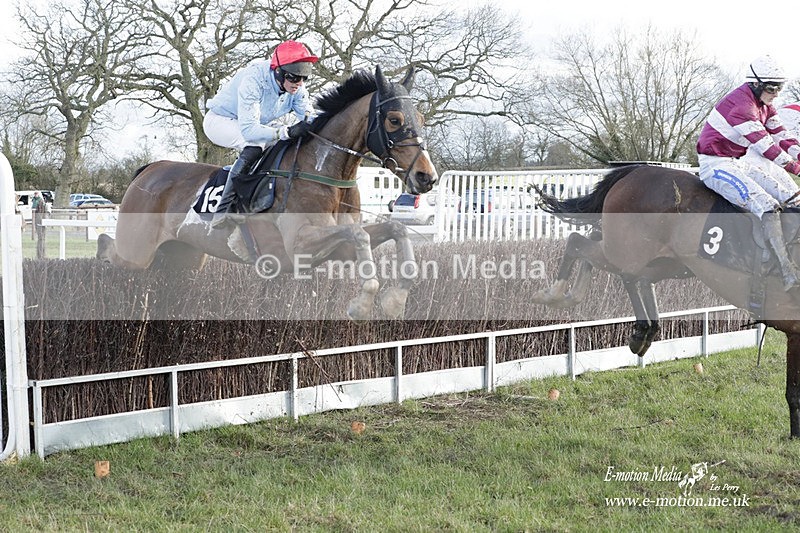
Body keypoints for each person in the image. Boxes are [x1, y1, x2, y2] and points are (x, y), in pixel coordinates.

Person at [697, 55, 800, 291]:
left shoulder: (763, 104)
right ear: (755, 84)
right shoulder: (742, 107)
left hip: (737, 162)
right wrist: (796, 168)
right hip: (716, 165)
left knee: (793, 198)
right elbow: (766, 146)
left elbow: (782, 136)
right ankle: (786, 271)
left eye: (780, 87)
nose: (776, 93)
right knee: (768, 206)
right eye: (772, 88)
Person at [203, 40, 319, 228]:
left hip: (256, 124)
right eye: (294, 78)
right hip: (220, 121)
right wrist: (287, 131)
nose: (299, 83)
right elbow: (249, 130)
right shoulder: (254, 78)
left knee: (287, 144)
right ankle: (223, 210)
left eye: (304, 78)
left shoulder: (296, 87)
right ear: (279, 71)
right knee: (255, 145)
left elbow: (309, 117)